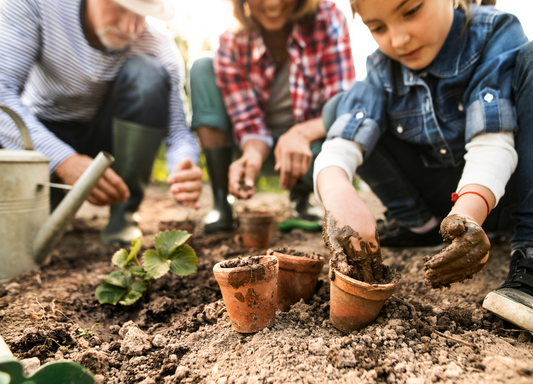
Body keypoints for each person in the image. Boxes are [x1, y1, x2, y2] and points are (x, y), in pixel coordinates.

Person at [314, 0, 533, 332]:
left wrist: (469, 215)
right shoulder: (383, 67)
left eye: (411, 10)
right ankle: (421, 226)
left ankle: (529, 249)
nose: (398, 40)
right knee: (339, 110)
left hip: (507, 193)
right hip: (444, 202)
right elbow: (342, 143)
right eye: (378, 27)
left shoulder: (495, 33)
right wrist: (340, 198)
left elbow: (492, 142)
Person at [0, 0, 203, 245]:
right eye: (120, 8)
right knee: (30, 229)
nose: (130, 27)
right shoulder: (34, 5)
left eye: (141, 15)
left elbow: (178, 133)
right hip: (42, 135)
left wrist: (184, 164)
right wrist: (63, 160)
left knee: (148, 73)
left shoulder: (157, 46)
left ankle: (123, 214)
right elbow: (2, 94)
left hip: (108, 140)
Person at [189, 0, 355, 233]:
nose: (273, 2)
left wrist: (300, 134)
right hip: (256, 149)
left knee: (347, 135)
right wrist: (253, 153)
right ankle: (221, 199)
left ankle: (302, 195)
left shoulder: (327, 18)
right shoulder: (231, 41)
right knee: (202, 66)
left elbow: (341, 106)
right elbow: (248, 121)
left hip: (310, 148)